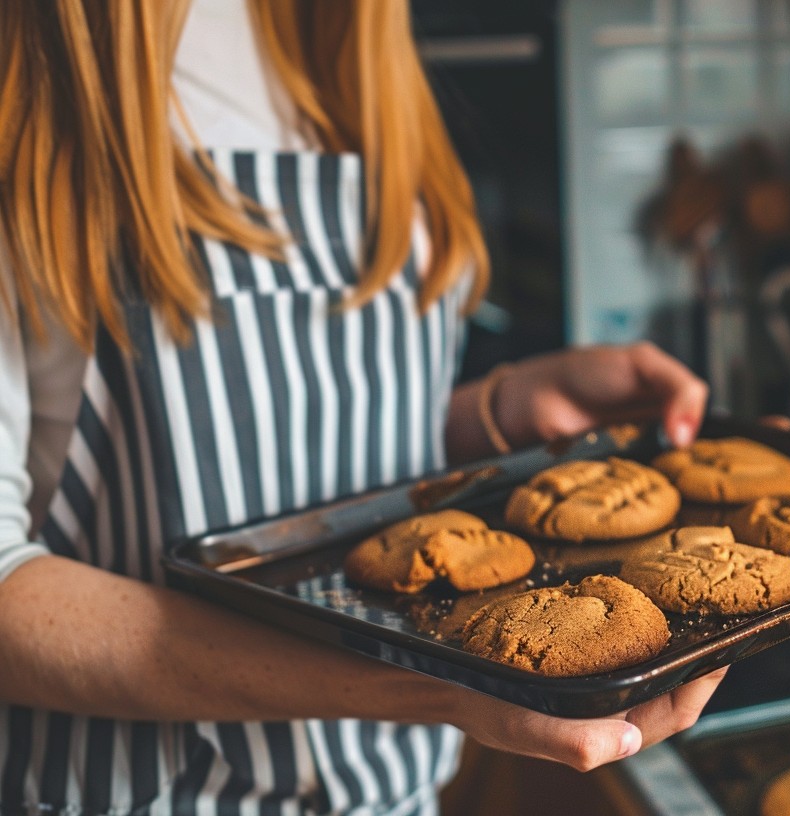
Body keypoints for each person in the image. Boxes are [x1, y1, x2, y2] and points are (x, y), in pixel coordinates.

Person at [0, 2, 724, 813]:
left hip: (392, 792)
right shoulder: (31, 68)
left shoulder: (353, 47)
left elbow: (325, 435)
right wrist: (436, 686)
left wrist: (497, 407)